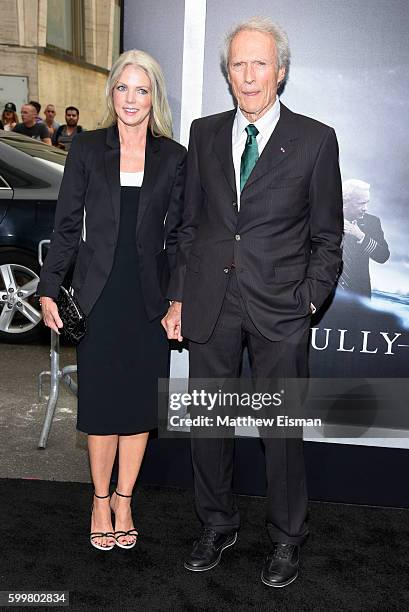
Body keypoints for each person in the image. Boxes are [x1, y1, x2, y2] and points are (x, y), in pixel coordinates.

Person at [162, 17, 343, 587]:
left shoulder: (316, 139)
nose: (248, 75)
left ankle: (287, 538)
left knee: (280, 434)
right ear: (228, 73)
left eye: (259, 63)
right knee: (208, 429)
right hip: (211, 303)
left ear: (280, 72)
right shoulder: (205, 132)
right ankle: (217, 524)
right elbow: (188, 227)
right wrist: (180, 297)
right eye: (238, 64)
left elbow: (328, 238)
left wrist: (308, 302)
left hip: (281, 310)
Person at [37, 49, 186, 551]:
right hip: (96, 296)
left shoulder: (174, 156)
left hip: (148, 300)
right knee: (102, 407)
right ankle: (99, 500)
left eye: (142, 89)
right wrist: (49, 286)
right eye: (123, 87)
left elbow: (184, 235)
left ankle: (126, 498)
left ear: (154, 98)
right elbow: (65, 224)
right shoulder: (87, 148)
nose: (131, 98)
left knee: (139, 407)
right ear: (111, 93)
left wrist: (177, 300)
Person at [337, 179, 389, 298]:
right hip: (326, 297)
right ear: (345, 201)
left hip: (359, 300)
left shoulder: (372, 223)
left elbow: (383, 256)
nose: (365, 208)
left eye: (367, 203)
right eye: (361, 203)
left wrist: (360, 236)